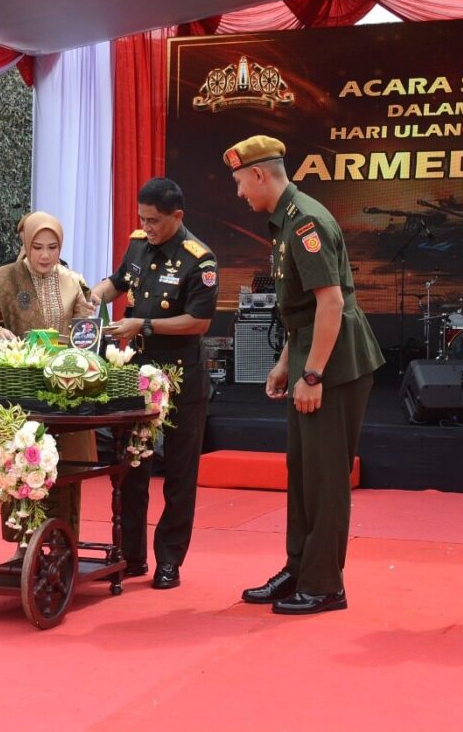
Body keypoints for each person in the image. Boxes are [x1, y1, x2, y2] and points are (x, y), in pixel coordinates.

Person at [225, 137, 384, 615]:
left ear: (259, 175)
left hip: (334, 363)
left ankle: (324, 584)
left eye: (239, 183)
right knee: (303, 472)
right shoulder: (286, 221)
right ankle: (300, 569)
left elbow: (331, 303)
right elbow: (303, 311)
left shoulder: (306, 221)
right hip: (313, 353)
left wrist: (311, 374)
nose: (238, 194)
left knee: (326, 476)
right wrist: (285, 363)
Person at [89, 178, 218, 591]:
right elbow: (120, 281)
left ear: (177, 217)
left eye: (155, 221)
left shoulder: (200, 259)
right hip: (138, 372)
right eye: (142, 218)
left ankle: (169, 560)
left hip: (181, 376)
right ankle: (132, 555)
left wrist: (141, 324)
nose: (147, 227)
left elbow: (198, 322)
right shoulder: (139, 243)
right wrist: (92, 294)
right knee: (132, 467)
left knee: (179, 474)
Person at [0, 212, 96, 539]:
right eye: (37, 247)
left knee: (66, 468)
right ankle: (22, 544)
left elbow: (87, 332)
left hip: (65, 390)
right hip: (20, 392)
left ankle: (63, 541)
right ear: (26, 245)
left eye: (52, 247)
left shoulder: (73, 281)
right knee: (20, 465)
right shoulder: (4, 280)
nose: (44, 255)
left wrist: (90, 317)